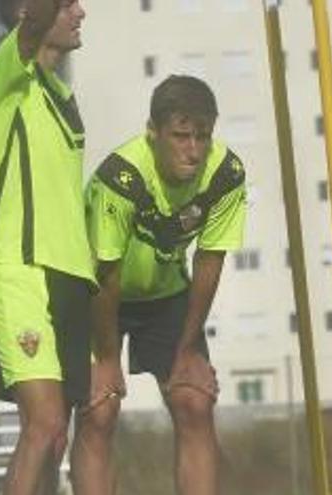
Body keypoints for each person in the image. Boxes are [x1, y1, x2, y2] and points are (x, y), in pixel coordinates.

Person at [71, 75, 247, 495]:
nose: (193, 150)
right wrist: (108, 358)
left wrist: (187, 351)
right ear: (153, 132)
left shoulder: (226, 173)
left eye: (202, 137)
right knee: (100, 410)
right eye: (181, 137)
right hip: (98, 296)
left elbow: (209, 260)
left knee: (195, 401)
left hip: (166, 295)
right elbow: (106, 274)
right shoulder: (122, 176)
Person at [0, 1, 93, 493]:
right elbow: (30, 29)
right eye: (68, 3)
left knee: (58, 435)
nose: (81, 12)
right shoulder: (3, 78)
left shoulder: (60, 92)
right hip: (17, 270)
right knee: (42, 425)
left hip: (68, 274)